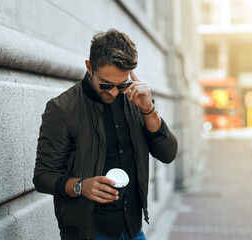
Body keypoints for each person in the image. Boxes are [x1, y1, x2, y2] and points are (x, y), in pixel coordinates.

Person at [33, 29, 178, 240]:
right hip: (89, 232)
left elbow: (168, 154)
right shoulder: (62, 109)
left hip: (133, 229)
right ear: (89, 68)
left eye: (122, 84)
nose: (113, 92)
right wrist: (81, 186)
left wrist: (148, 110)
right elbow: (42, 177)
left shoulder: (135, 101)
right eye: (106, 84)